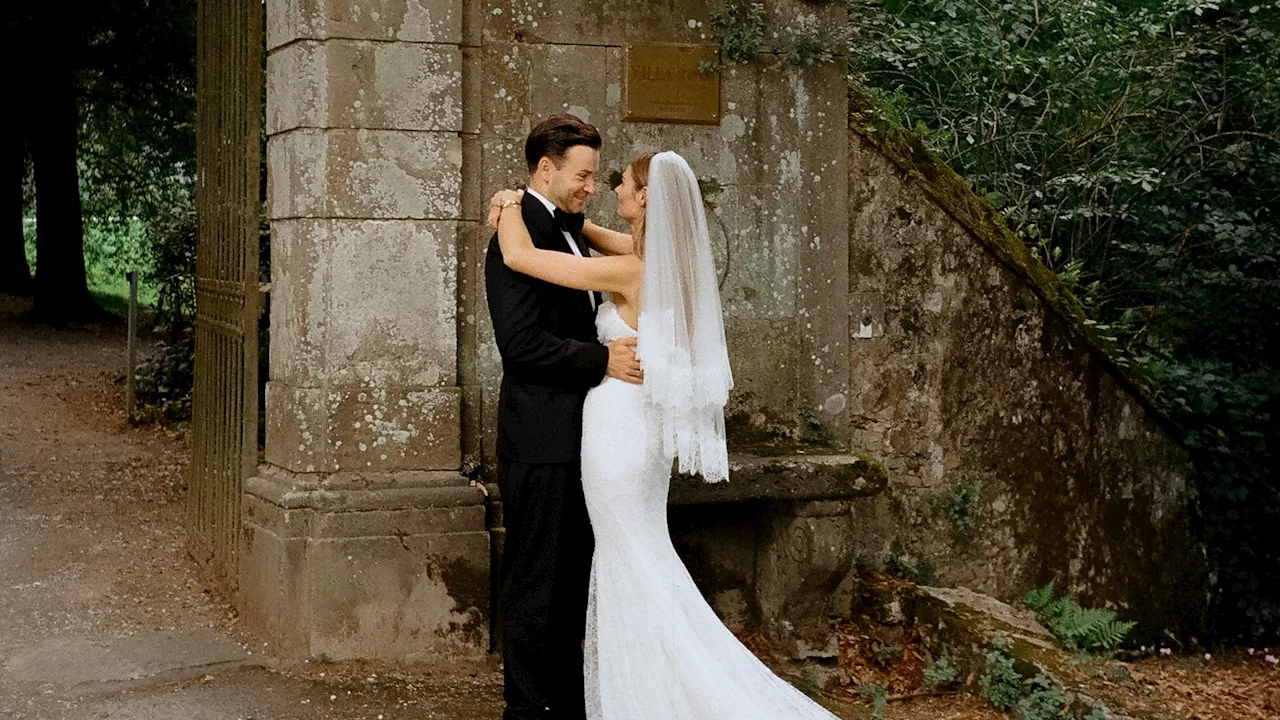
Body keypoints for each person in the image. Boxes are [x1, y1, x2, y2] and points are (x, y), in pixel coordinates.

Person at [490, 150, 843, 719]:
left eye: (623, 185)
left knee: (628, 556)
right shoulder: (657, 257)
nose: (612, 192)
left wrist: (508, 201)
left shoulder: (634, 268)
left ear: (647, 197)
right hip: (638, 434)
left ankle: (650, 694)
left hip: (620, 435)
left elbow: (520, 256)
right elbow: (588, 231)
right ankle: (642, 685)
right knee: (637, 551)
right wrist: (550, 207)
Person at [483, 114, 643, 720]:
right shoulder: (513, 233)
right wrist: (600, 359)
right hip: (540, 436)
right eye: (582, 175)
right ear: (545, 168)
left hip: (586, 440)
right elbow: (521, 344)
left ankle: (568, 705)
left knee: (573, 579)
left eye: (598, 176)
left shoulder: (569, 226)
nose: (590, 186)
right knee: (534, 579)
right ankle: (525, 711)